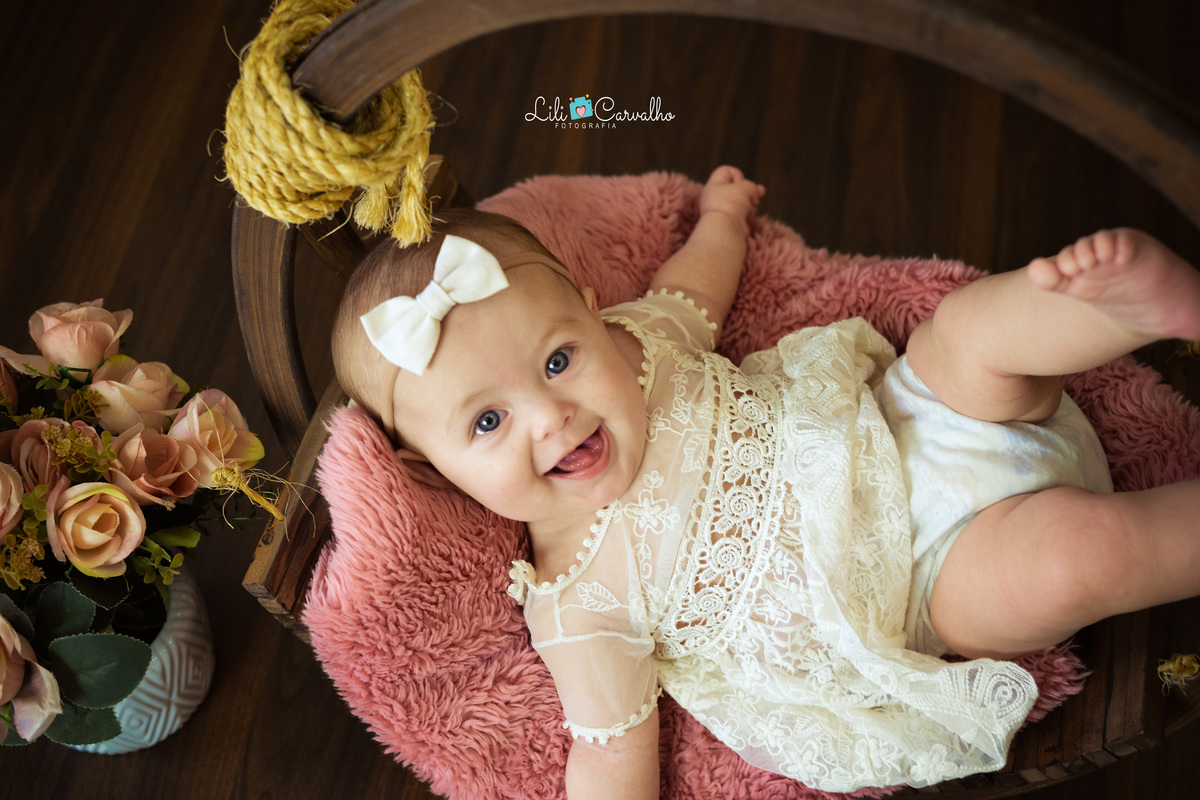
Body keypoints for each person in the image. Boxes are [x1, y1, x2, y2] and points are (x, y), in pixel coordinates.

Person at [330, 166, 1200, 795]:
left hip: (906, 414)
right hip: (927, 579)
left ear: (595, 315)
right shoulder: (577, 603)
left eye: (559, 359)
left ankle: (1113, 307)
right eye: (488, 423)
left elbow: (694, 286)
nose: (551, 417)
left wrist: (721, 216)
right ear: (432, 471)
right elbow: (608, 755)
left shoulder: (643, 345)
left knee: (965, 331)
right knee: (1075, 558)